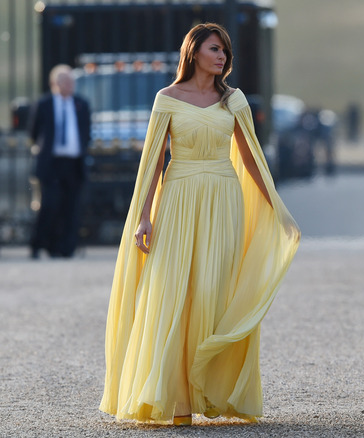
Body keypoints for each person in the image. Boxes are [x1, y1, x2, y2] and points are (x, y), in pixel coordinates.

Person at [99, 23, 300, 426]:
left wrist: (277, 209)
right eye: (214, 48)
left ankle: (211, 393)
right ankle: (176, 403)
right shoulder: (166, 99)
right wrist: (143, 216)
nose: (222, 56)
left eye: (225, 50)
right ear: (194, 53)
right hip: (176, 199)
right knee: (173, 291)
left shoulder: (234, 100)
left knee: (212, 290)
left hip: (223, 200)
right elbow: (153, 161)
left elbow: (252, 159)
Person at [29, 64, 91, 258]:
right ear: (55, 83)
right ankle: (40, 245)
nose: (71, 85)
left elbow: (86, 132)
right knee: (49, 205)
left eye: (72, 81)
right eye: (66, 81)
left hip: (73, 163)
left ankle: (66, 248)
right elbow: (33, 131)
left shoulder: (82, 104)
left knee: (71, 207)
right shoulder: (44, 103)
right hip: (52, 164)